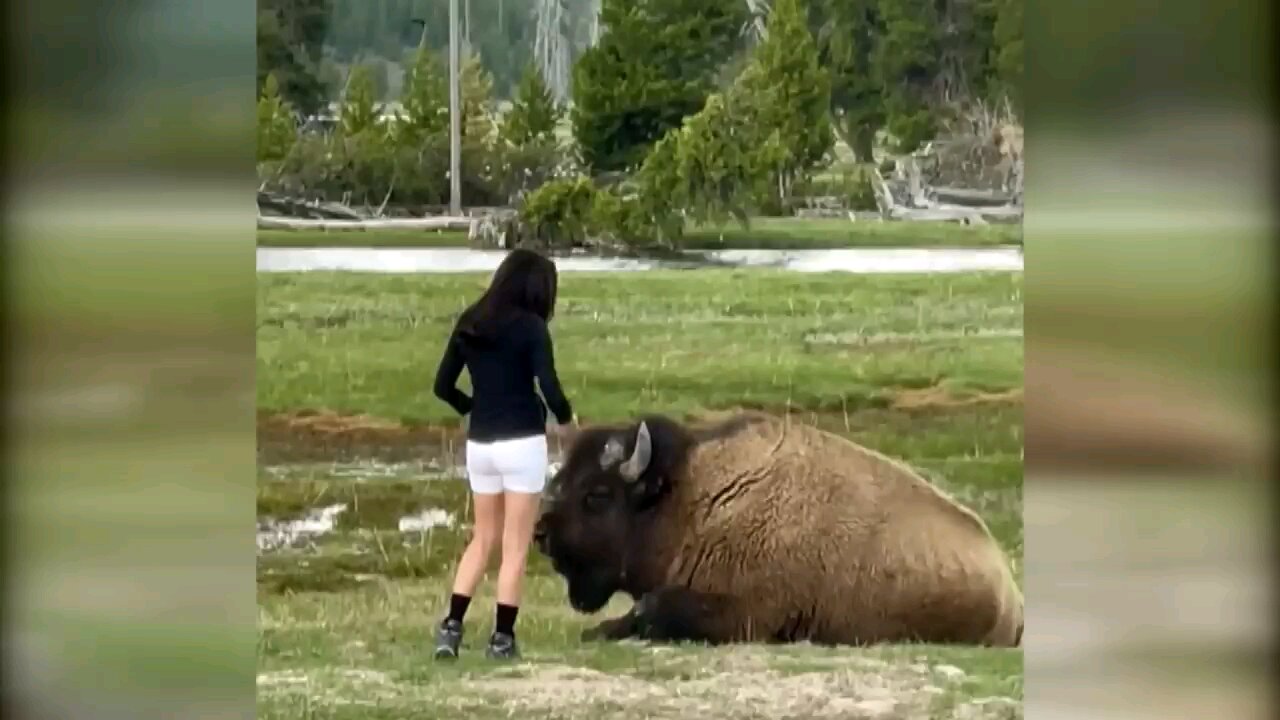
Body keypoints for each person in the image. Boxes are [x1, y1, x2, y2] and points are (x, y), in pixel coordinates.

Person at [430, 248, 576, 660]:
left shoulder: (470, 321)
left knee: (482, 538)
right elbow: (549, 387)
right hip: (522, 444)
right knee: (514, 547)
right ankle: (502, 638)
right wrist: (567, 420)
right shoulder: (531, 328)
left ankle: (451, 628)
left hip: (481, 446)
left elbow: (442, 386)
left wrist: (470, 407)